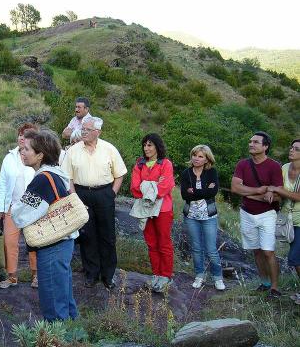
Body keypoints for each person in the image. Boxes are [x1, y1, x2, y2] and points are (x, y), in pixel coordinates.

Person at [11, 129, 78, 321]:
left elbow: (20, 215)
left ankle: (57, 344)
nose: (22, 152)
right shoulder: (57, 174)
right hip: (64, 241)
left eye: (27, 149)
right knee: (63, 293)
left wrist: (14, 207)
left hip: (52, 244)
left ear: (40, 155)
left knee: (52, 298)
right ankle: (73, 337)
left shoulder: (42, 179)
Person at [62, 117, 127, 290]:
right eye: (82, 129)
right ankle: (91, 274)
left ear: (97, 132)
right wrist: (74, 197)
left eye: (87, 130)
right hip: (81, 193)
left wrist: (112, 193)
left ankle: (108, 276)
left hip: (104, 193)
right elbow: (67, 177)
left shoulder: (109, 149)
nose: (83, 132)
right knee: (87, 235)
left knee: (107, 236)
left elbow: (120, 173)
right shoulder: (73, 151)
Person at [231, 131, 283, 298]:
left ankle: (275, 288)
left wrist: (248, 193)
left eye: (255, 142)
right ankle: (265, 283)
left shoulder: (274, 166)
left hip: (267, 213)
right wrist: (259, 191)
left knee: (268, 251)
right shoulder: (242, 164)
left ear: (265, 146)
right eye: (250, 141)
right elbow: (235, 188)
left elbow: (277, 195)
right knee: (256, 251)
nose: (251, 144)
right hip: (247, 213)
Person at [0, 123, 39, 289]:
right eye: (20, 134)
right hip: (12, 207)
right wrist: (0, 209)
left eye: (26, 134)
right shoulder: (9, 157)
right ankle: (12, 276)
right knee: (9, 242)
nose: (22, 137)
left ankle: (36, 276)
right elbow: (3, 185)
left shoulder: (38, 157)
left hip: (33, 208)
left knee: (34, 242)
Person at [130, 133, 175, 292]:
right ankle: (155, 274)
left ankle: (166, 275)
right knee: (151, 243)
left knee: (164, 242)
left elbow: (166, 186)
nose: (146, 148)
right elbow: (135, 188)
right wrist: (154, 185)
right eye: (144, 145)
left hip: (163, 209)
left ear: (157, 146)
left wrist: (147, 186)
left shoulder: (165, 164)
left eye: (150, 145)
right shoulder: (140, 164)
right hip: (145, 208)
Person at [180, 145, 225, 291]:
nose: (196, 159)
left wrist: (194, 192)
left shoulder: (211, 172)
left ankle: (218, 278)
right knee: (197, 248)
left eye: (200, 156)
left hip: (209, 216)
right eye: (194, 155)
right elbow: (184, 195)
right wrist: (203, 191)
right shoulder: (186, 173)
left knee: (211, 249)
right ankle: (199, 275)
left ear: (207, 159)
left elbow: (213, 192)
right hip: (191, 216)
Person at [266, 139, 300, 303]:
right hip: (287, 218)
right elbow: (277, 188)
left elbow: (298, 196)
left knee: (294, 258)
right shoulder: (285, 168)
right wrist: (273, 194)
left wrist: (278, 190)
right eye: (291, 147)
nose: (291, 150)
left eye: (296, 149)